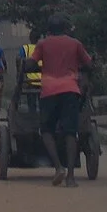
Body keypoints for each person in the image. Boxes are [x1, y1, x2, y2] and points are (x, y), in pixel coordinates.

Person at [26, 15, 92, 188]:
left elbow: (31, 64)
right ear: (65, 29)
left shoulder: (42, 44)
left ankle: (58, 167)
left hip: (49, 91)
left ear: (48, 30)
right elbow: (89, 63)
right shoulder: (75, 43)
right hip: (70, 90)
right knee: (71, 132)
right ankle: (70, 177)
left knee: (46, 130)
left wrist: (31, 64)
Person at [15, 28, 43, 111]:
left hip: (29, 80)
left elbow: (18, 60)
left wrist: (18, 73)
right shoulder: (43, 48)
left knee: (31, 104)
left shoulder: (25, 48)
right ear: (39, 38)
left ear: (30, 38)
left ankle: (32, 115)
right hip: (42, 80)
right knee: (42, 104)